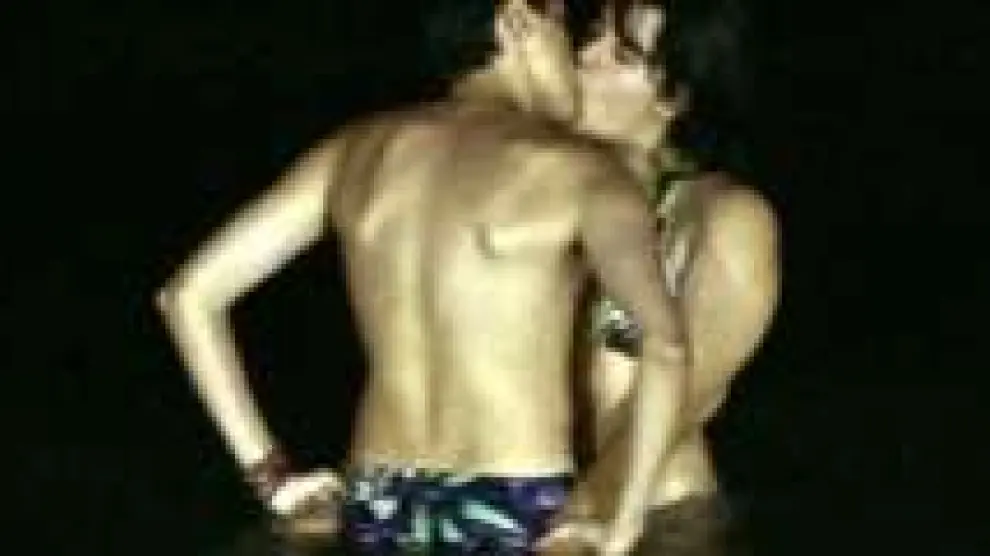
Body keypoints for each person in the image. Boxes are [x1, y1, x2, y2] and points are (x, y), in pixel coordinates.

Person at [155, 0, 688, 553]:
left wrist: (273, 479)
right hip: (515, 502)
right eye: (565, 28)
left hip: (378, 499)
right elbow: (665, 343)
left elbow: (188, 297)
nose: (576, 58)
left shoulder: (356, 152)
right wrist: (625, 521)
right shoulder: (584, 171)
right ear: (517, 21)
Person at [569, 0, 780, 553]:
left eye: (621, 54)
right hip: (555, 512)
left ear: (675, 96)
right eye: (592, 35)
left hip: (661, 525)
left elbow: (682, 399)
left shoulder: (727, 219)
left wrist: (571, 520)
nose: (584, 56)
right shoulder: (563, 198)